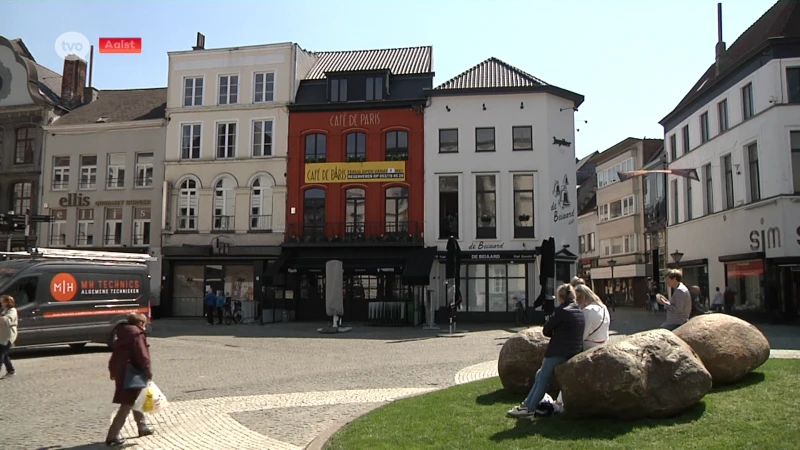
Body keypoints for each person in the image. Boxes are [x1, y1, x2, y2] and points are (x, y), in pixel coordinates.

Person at [507, 284, 585, 418]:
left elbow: (546, 330)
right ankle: (526, 405)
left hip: (558, 351)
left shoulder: (562, 310)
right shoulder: (579, 311)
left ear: (560, 297)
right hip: (573, 351)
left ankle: (528, 408)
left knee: (542, 378)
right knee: (540, 375)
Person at [105, 313, 154, 447]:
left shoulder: (122, 334)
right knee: (127, 403)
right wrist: (148, 371)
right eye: (144, 324)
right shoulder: (137, 334)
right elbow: (142, 355)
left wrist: (112, 371)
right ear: (139, 323)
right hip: (132, 373)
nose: (144, 327)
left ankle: (142, 427)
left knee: (135, 399)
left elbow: (114, 356)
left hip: (121, 371)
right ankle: (112, 436)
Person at [1, 295, 18, 379]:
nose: (1, 303)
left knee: (1, 353)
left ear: (7, 302)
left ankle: (10, 371)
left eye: (3, 301)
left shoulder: (12, 310)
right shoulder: (5, 310)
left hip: (8, 336)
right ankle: (11, 371)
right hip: (2, 336)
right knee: (5, 354)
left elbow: (7, 320)